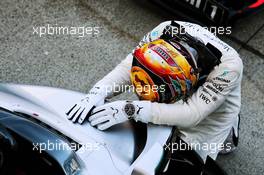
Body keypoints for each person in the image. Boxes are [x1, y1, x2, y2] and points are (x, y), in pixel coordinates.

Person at [66, 21, 243, 163]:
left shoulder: (229, 68)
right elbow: (129, 66)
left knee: (191, 153)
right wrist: (98, 92)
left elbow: (193, 114)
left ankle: (228, 134)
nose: (142, 93)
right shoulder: (162, 30)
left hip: (211, 113)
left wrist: (131, 109)